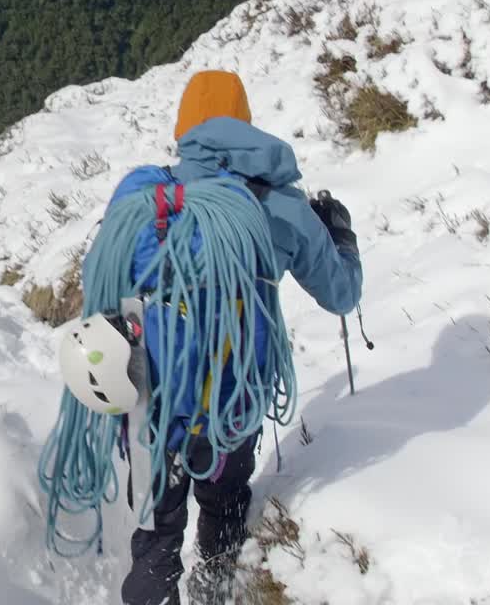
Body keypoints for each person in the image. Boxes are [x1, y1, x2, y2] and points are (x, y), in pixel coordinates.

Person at [120, 70, 363, 605]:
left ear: (184, 127)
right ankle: (217, 586)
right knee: (223, 511)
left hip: (149, 404)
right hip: (231, 404)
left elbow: (109, 288)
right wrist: (339, 235)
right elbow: (341, 294)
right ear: (244, 123)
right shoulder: (280, 205)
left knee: (155, 541)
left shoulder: (147, 196)